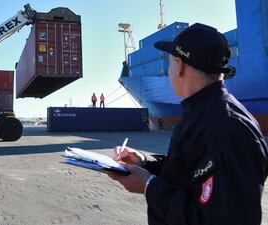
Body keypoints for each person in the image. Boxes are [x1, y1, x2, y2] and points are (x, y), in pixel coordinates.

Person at [108, 23, 268, 225]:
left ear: (180, 64)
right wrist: (145, 163)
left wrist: (149, 185)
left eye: (169, 63)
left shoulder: (225, 128)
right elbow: (191, 173)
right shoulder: (205, 113)